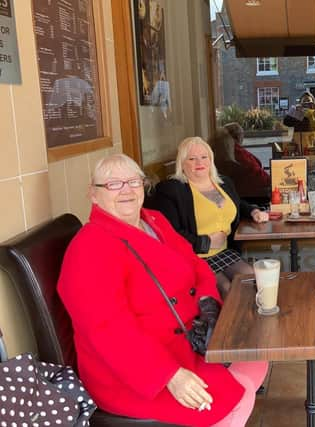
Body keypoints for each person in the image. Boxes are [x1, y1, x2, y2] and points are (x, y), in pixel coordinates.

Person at [58, 153, 268, 426]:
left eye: (133, 181)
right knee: (232, 400)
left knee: (257, 353)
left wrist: (208, 305)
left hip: (190, 339)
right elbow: (109, 330)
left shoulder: (154, 220)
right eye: (113, 184)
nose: (126, 190)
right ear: (93, 195)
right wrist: (169, 375)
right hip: (136, 373)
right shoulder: (89, 248)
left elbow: (197, 266)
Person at [146, 137, 269, 299]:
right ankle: (229, 324)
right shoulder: (171, 190)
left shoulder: (223, 182)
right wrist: (206, 242)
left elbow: (238, 204)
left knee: (251, 279)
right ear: (182, 163)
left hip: (224, 252)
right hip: (195, 257)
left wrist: (253, 211)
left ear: (211, 160)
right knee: (226, 289)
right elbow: (170, 233)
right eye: (192, 158)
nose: (199, 162)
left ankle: (250, 322)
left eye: (204, 157)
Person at [213, 124, 270, 199]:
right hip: (248, 196)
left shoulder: (215, 152)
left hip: (228, 195)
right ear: (238, 137)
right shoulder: (239, 154)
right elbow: (259, 176)